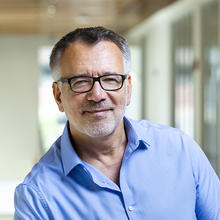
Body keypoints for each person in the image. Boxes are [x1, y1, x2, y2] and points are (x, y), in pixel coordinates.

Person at [14, 26, 220, 220]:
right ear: (58, 95)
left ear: (128, 89)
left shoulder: (180, 150)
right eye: (80, 81)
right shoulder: (37, 197)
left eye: (111, 79)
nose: (97, 95)